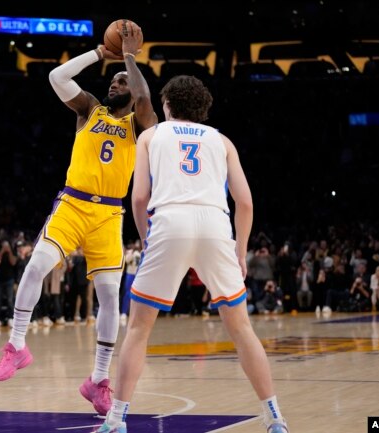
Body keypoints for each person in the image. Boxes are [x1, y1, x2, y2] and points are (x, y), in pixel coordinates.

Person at [94, 75, 289, 433]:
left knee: (138, 328)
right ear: (202, 110)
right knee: (242, 328)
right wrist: (240, 252)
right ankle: (275, 417)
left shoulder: (151, 135)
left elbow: (138, 198)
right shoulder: (222, 141)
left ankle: (116, 419)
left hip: (170, 221)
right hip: (216, 224)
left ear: (167, 105)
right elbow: (245, 202)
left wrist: (147, 238)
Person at [0, 20, 157, 417]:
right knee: (36, 267)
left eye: (122, 82)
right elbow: (55, 75)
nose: (115, 85)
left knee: (109, 300)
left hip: (108, 215)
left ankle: (98, 380)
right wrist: (102, 53)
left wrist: (130, 61)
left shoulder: (138, 125)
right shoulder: (89, 109)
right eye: (113, 81)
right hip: (73, 205)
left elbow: (147, 101)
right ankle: (16, 346)